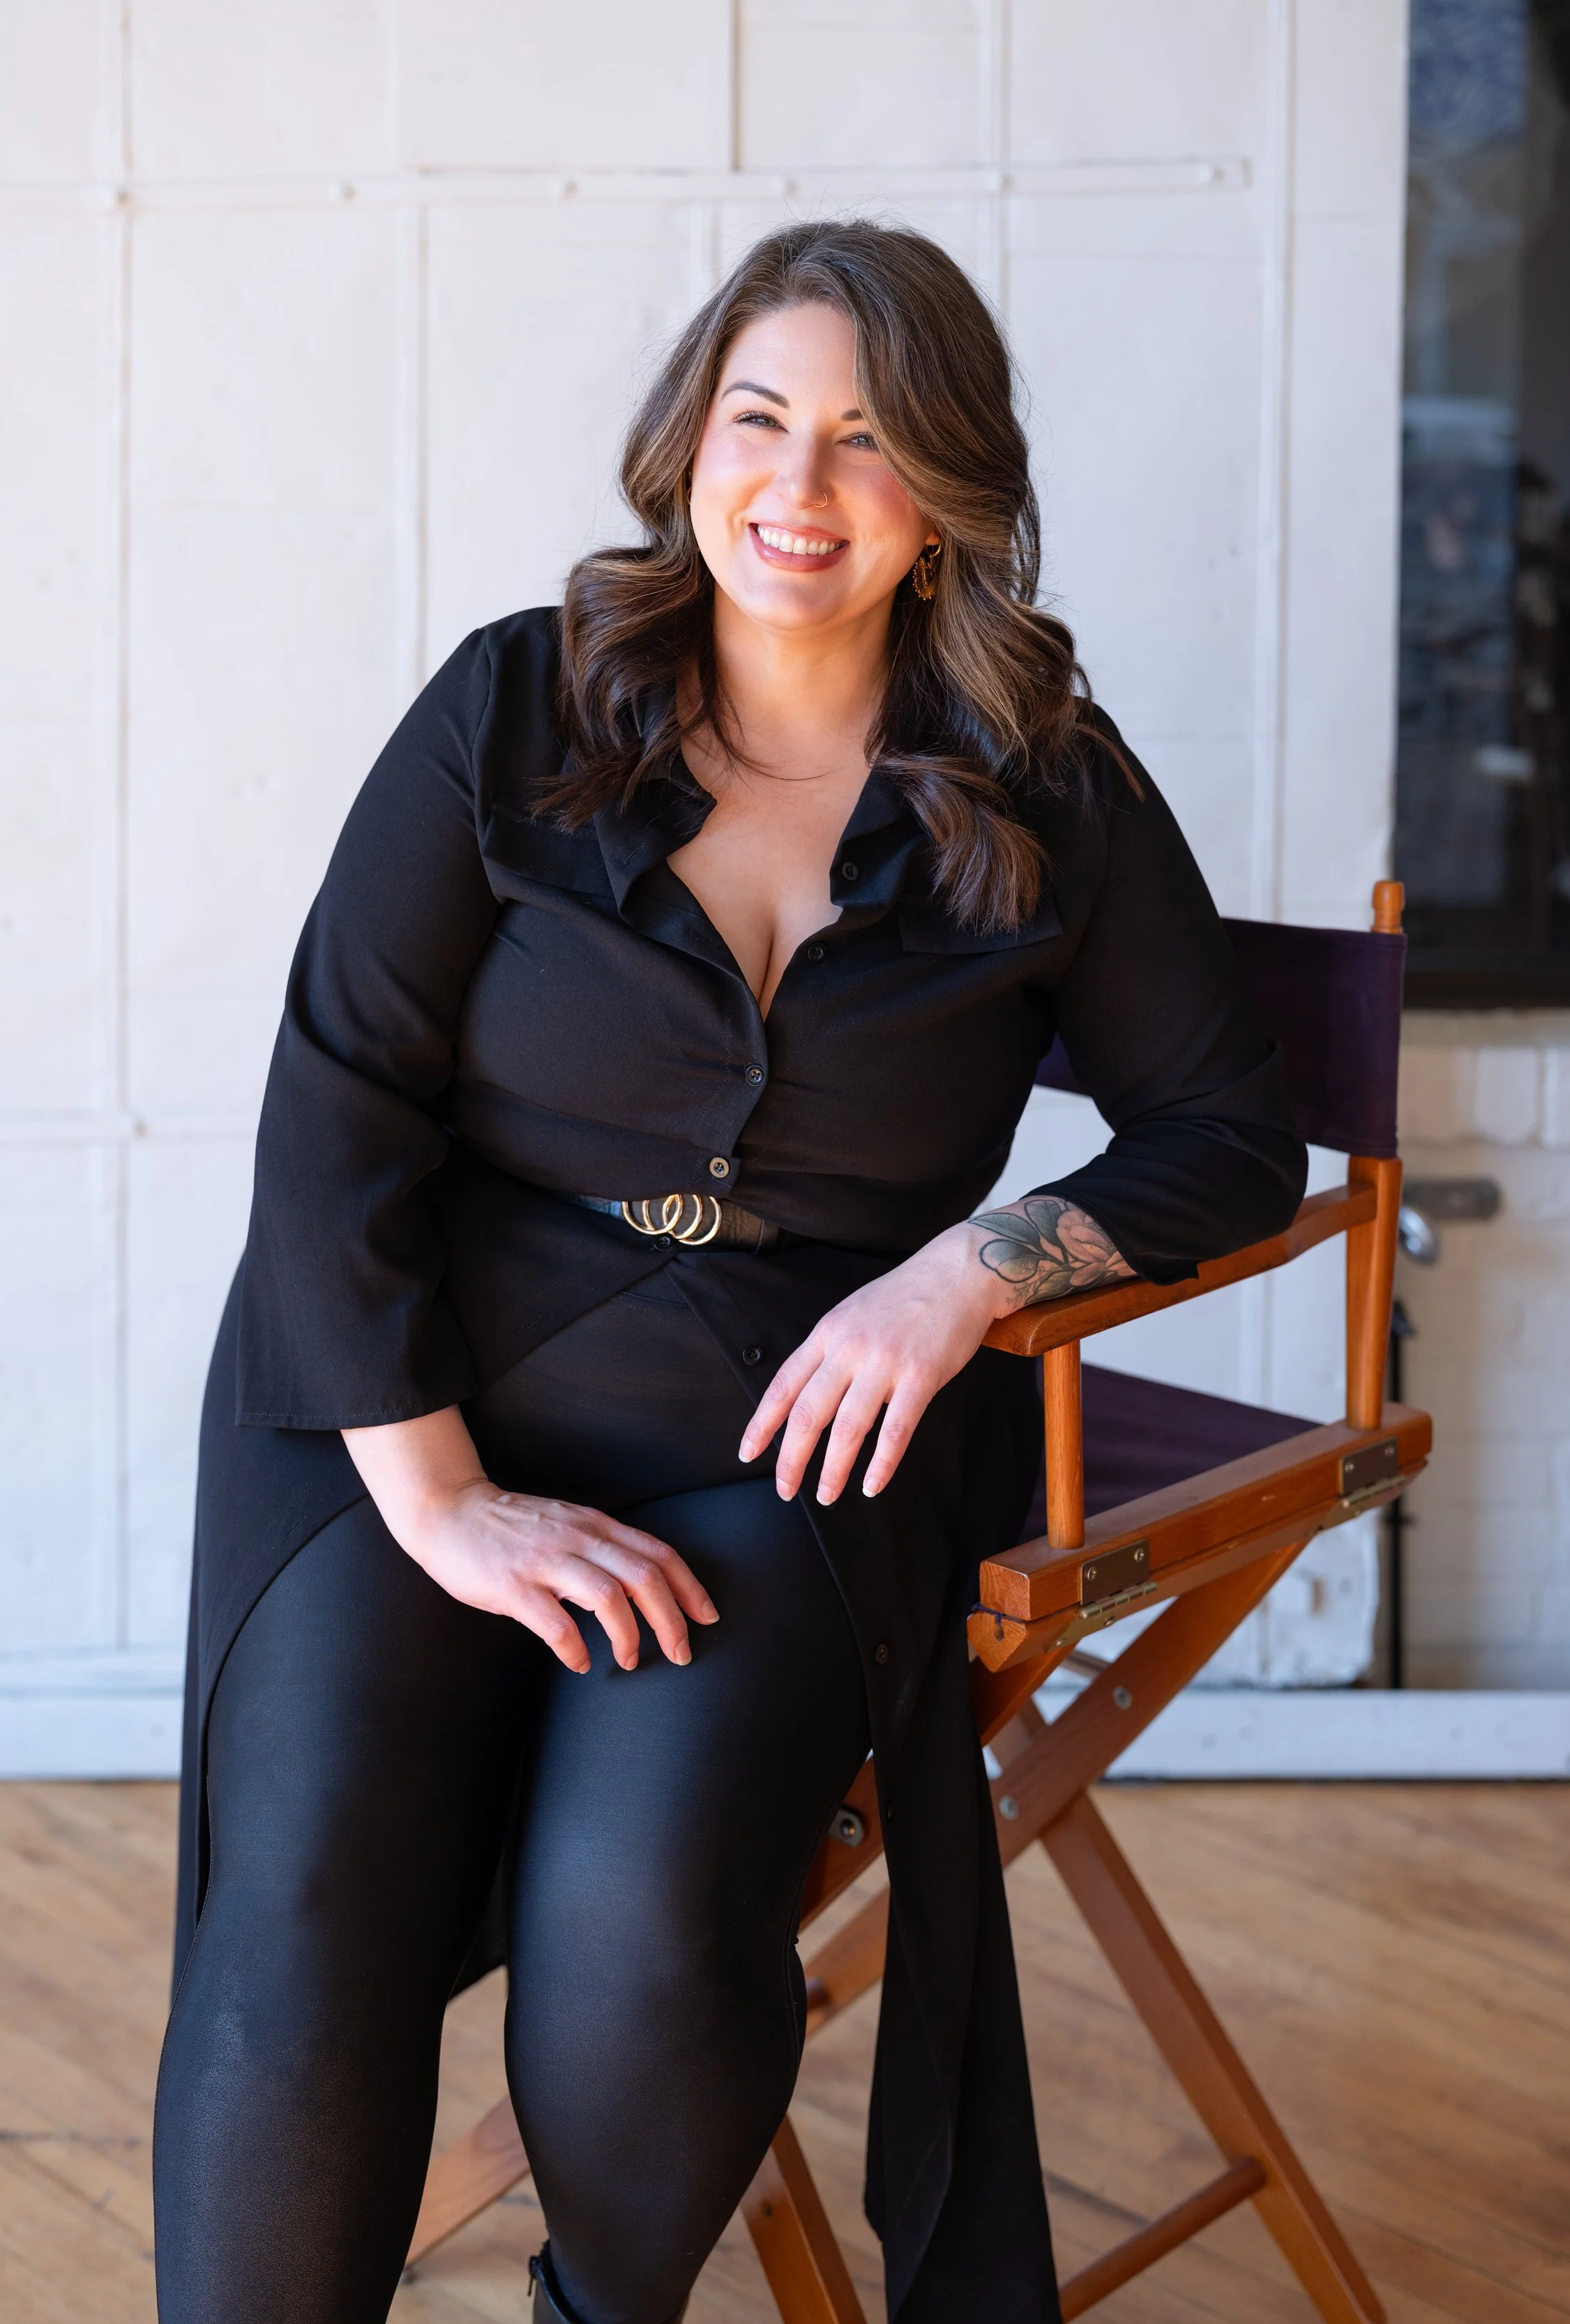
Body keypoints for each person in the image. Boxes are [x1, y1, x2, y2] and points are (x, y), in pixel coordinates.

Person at [151, 220, 1305, 2324]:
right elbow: (334, 1105)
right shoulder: (514, 699)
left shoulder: (1040, 774)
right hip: (410, 1403)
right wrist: (442, 1496)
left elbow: (1226, 1125)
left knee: (650, 1917)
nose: (798, 487)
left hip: (784, 1441)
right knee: (305, 1899)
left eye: (868, 442)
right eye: (759, 418)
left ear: (948, 489)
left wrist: (962, 1272)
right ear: (687, 437)